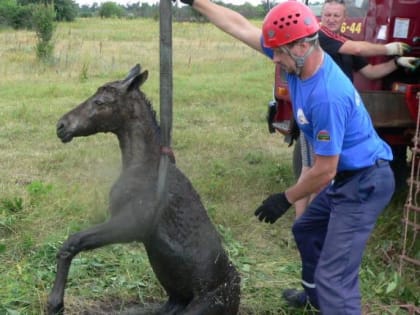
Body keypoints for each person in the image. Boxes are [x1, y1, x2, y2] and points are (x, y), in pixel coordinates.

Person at [179, 0, 397, 313]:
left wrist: (285, 198)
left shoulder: (327, 96)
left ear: (302, 46)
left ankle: (331, 299)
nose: (274, 58)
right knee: (305, 229)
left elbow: (324, 170)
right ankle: (313, 295)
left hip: (365, 183)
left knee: (335, 277)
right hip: (348, 177)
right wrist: (196, 2)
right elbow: (238, 26)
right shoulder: (294, 56)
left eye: (279, 52)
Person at [293, 0, 420, 219]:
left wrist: (397, 63)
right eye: (328, 14)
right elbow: (358, 48)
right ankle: (304, 223)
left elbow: (370, 71)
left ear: (344, 18)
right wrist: (389, 48)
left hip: (339, 115)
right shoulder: (318, 39)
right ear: (321, 16)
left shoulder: (344, 41)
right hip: (317, 114)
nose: (331, 19)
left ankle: (310, 224)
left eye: (336, 16)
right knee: (312, 171)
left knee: (324, 171)